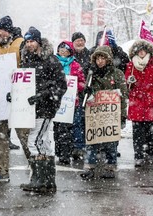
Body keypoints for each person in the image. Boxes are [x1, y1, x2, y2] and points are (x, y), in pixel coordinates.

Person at [19, 26, 67, 193]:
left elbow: (61, 85)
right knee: (44, 142)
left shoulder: (51, 60)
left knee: (34, 141)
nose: (28, 44)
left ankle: (40, 178)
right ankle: (47, 180)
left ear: (38, 41)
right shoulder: (27, 60)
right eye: (27, 41)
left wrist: (43, 95)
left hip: (45, 107)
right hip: (31, 107)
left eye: (31, 41)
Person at [0, 15, 30, 181]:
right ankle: (0, 170)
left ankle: (36, 168)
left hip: (18, 99)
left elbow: (27, 70)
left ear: (8, 30)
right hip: (0, 99)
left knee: (24, 136)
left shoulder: (21, 44)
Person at [80, 46, 128, 180]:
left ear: (108, 59)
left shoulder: (117, 73)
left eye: (103, 58)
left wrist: (123, 115)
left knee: (110, 142)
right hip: (95, 113)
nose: (100, 61)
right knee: (92, 141)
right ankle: (90, 167)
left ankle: (110, 167)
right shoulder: (91, 74)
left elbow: (123, 95)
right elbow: (84, 95)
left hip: (111, 114)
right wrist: (87, 91)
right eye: (97, 58)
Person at [125, 39, 153, 167]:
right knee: (137, 131)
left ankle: (149, 148)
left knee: (152, 128)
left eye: (143, 50)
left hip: (151, 103)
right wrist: (130, 81)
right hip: (137, 103)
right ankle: (138, 155)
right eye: (139, 50)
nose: (141, 52)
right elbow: (127, 85)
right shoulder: (131, 66)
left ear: (148, 51)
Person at [53, 40, 85, 164]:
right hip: (56, 101)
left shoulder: (75, 65)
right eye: (61, 48)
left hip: (71, 102)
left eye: (65, 49)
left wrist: (78, 86)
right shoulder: (54, 62)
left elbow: (81, 82)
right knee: (57, 128)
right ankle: (59, 151)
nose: (63, 50)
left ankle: (65, 153)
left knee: (67, 128)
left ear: (70, 51)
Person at [71, 32, 91, 160]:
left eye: (82, 40)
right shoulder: (70, 55)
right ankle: (77, 145)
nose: (80, 42)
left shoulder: (90, 55)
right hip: (72, 94)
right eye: (77, 40)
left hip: (86, 93)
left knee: (84, 120)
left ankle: (83, 145)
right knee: (75, 121)